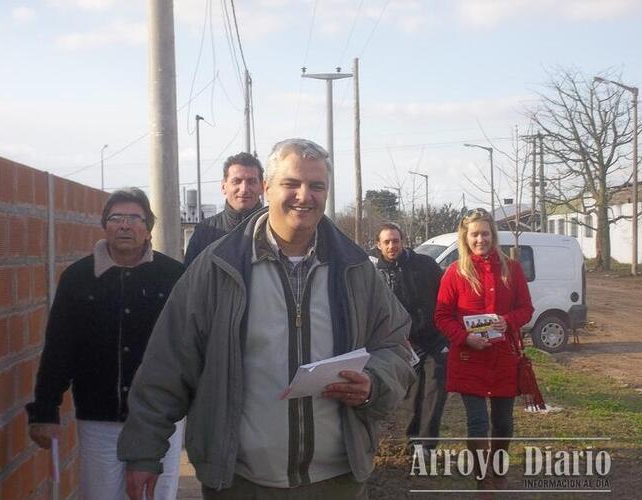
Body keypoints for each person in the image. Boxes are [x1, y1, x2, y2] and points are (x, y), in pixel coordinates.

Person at [118, 138, 414, 500]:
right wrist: (144, 452)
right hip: (241, 482)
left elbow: (396, 345)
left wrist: (374, 381)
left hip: (338, 480)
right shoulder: (218, 268)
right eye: (291, 184)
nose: (304, 195)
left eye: (316, 186)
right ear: (268, 188)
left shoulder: (354, 269)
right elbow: (168, 362)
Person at [26, 187, 186, 500]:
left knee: (157, 495)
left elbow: (191, 345)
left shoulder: (174, 276)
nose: (125, 225)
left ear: (147, 227)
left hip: (160, 418)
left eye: (134, 218)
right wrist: (44, 410)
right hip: (99, 419)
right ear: (104, 225)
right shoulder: (78, 278)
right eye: (116, 218)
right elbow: (59, 347)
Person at [434, 208, 533, 489]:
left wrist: (508, 321)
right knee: (477, 423)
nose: (480, 239)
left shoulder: (511, 268)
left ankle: (498, 470)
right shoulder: (455, 272)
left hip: (503, 358)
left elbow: (526, 308)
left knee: (503, 422)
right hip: (469, 359)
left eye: (485, 233)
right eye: (475, 234)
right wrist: (465, 338)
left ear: (493, 235)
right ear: (466, 237)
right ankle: (483, 480)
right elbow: (441, 315)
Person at [369, 222, 447, 460]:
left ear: (403, 241)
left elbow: (444, 296)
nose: (393, 246)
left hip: (434, 339)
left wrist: (446, 333)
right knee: (412, 395)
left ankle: (427, 444)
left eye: (396, 240)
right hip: (404, 345)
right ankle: (413, 438)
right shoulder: (375, 275)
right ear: (378, 245)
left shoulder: (424, 265)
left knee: (434, 391)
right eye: (387, 242)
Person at [183, 152, 264, 267]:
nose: (244, 189)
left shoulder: (275, 229)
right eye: (236, 181)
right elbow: (190, 281)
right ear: (223, 187)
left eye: (251, 182)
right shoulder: (204, 233)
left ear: (262, 187)